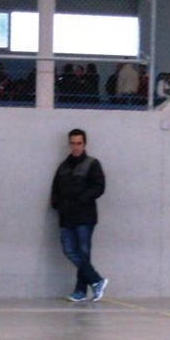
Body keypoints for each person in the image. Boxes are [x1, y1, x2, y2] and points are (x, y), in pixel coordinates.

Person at [51, 128, 108, 303]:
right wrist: (57, 204)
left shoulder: (92, 164)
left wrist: (82, 199)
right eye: (73, 143)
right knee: (69, 250)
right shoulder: (63, 166)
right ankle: (96, 280)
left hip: (85, 217)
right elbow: (55, 188)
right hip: (66, 217)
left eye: (79, 143)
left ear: (84, 144)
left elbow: (99, 187)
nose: (75, 147)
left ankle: (80, 291)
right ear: (69, 144)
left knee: (83, 253)